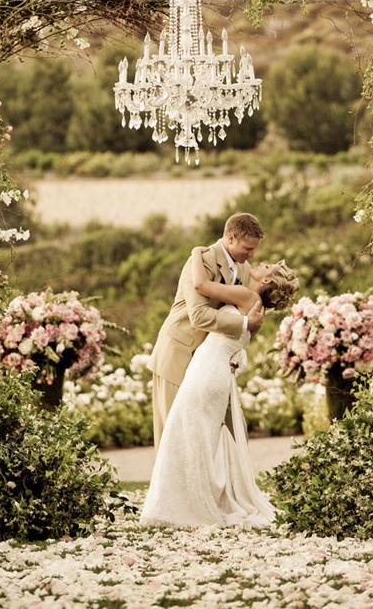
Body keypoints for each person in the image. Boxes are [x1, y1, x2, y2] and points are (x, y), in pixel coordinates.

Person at [140, 250, 299, 529]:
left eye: (264, 266)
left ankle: (183, 505)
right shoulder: (254, 307)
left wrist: (194, 253)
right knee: (197, 436)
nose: (257, 264)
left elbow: (202, 286)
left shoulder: (249, 298)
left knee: (183, 432)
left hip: (206, 371)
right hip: (214, 371)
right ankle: (192, 499)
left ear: (267, 281)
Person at [147, 213, 266, 448]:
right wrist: (244, 324)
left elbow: (244, 312)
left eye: (254, 250)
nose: (251, 255)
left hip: (210, 363)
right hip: (178, 356)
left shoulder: (244, 269)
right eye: (247, 248)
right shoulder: (201, 261)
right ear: (230, 238)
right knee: (173, 436)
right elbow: (199, 315)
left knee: (227, 432)